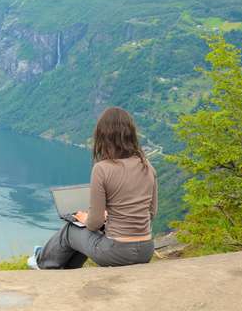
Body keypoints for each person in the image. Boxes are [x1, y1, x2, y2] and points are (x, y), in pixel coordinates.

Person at [28, 106, 158, 269]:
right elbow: (151, 213)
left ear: (103, 136)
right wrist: (114, 216)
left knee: (72, 229)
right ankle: (66, 269)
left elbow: (94, 224)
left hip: (116, 252)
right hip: (146, 249)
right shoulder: (147, 167)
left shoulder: (102, 168)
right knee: (86, 234)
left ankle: (41, 262)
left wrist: (85, 218)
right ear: (131, 134)